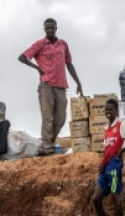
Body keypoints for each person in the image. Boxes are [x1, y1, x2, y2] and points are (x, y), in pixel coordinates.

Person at [18, 18, 83, 156]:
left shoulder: (63, 44)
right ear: (44, 29)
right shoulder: (40, 44)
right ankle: (47, 146)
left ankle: (48, 142)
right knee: (47, 116)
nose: (50, 30)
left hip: (60, 84)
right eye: (47, 28)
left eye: (52, 28)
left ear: (56, 28)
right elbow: (22, 57)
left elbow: (69, 63)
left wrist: (78, 82)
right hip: (46, 84)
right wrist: (37, 67)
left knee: (61, 118)